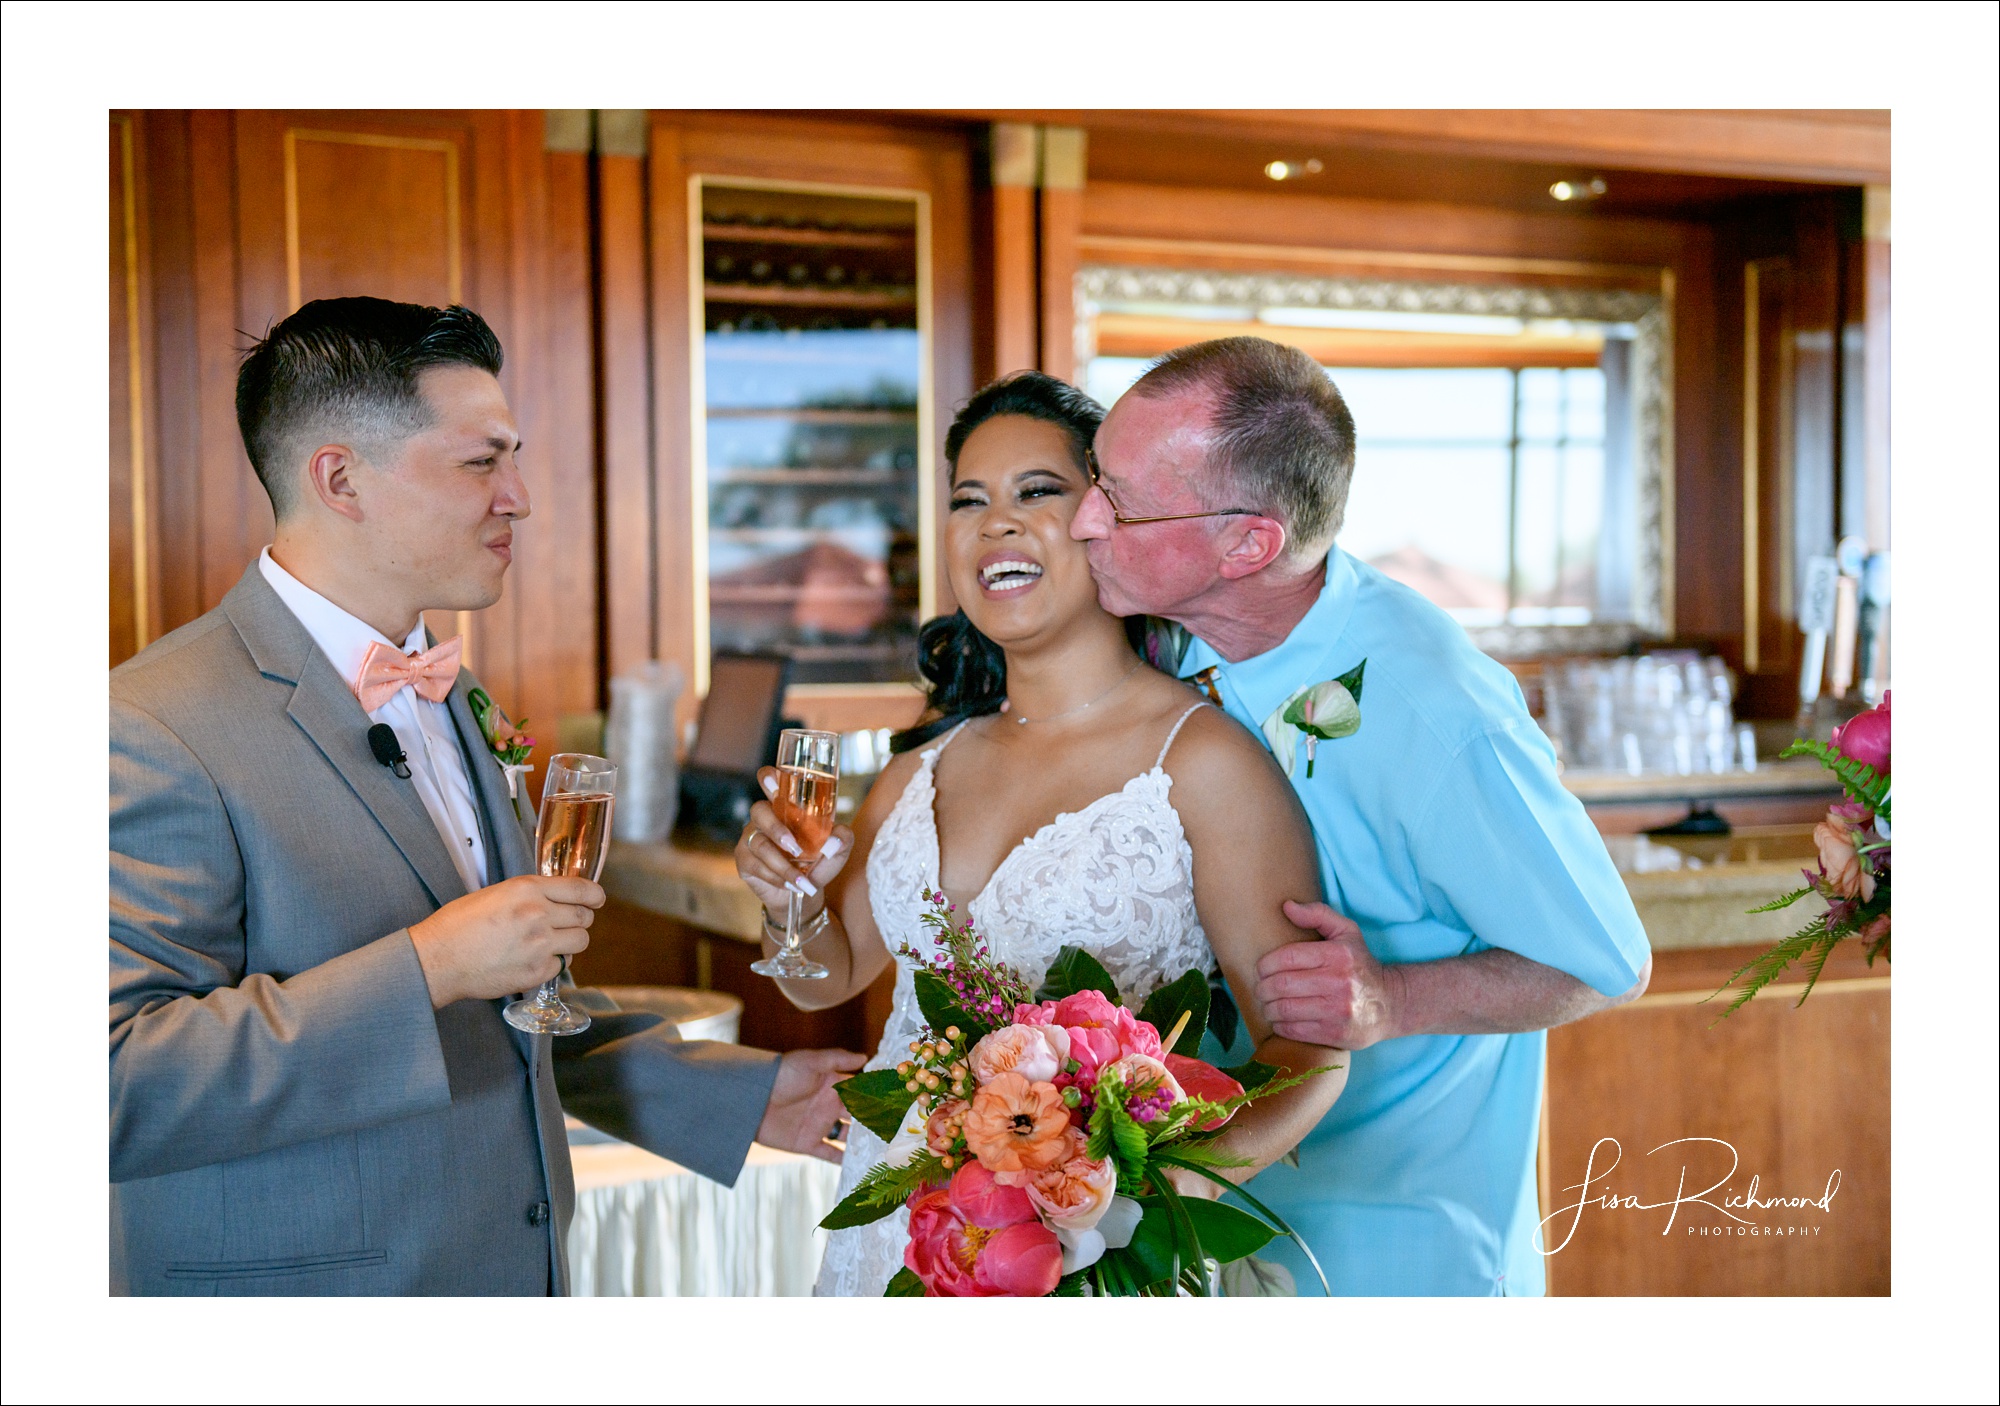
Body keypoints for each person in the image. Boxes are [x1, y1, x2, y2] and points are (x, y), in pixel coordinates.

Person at [109, 296, 862, 1296]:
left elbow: (511, 1009)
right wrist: (425, 964)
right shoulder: (151, 723)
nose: (519, 496)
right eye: (481, 462)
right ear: (338, 478)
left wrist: (741, 1096)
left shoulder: (454, 690)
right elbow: (117, 1083)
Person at [733, 372, 1351, 1296]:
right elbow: (833, 972)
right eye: (967, 500)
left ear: (1106, 520)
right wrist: (788, 901)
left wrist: (1150, 1186)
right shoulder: (918, 770)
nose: (995, 524)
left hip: (1091, 1253)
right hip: (905, 1229)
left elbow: (1310, 1052)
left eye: (1037, 493)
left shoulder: (1203, 763)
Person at [1072, 335, 1652, 1296]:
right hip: (1200, 1226)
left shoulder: (1436, 710)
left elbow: (1606, 960)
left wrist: (1394, 1000)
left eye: (1121, 500)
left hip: (1390, 1249)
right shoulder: (1162, 644)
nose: (1086, 517)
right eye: (1097, 477)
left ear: (1249, 542)